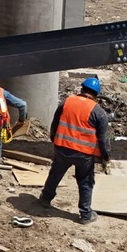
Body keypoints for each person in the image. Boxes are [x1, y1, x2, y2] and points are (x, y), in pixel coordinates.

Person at [38, 77, 112, 224]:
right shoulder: (99, 112)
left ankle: (45, 199)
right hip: (83, 154)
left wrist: (54, 139)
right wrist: (106, 156)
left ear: (82, 89)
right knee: (85, 181)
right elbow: (103, 139)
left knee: (55, 174)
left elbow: (55, 122)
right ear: (96, 94)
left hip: (62, 147)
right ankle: (85, 214)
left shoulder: (67, 102)